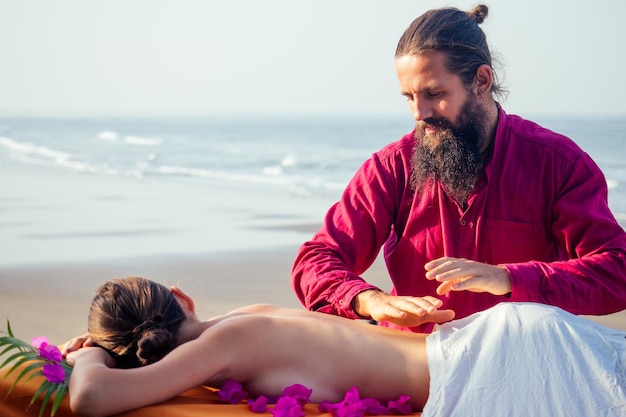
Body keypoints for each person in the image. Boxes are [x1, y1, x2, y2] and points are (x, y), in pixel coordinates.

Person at [290, 4, 626, 332]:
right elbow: (315, 260)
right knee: (256, 324)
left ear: (481, 81)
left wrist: (509, 278)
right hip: (409, 361)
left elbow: (617, 273)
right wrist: (368, 300)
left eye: (434, 93)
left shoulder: (558, 163)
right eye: (408, 97)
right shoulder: (391, 166)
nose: (418, 113)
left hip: (519, 359)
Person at [65, 276, 626, 417]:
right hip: (500, 339)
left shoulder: (227, 342)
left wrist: (86, 354)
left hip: (487, 367)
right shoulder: (249, 315)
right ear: (182, 297)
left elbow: (91, 400)